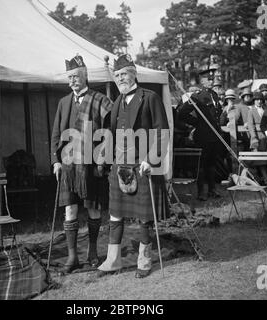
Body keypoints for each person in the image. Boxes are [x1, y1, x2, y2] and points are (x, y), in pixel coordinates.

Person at [97, 54, 169, 278]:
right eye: (117, 75)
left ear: (134, 73)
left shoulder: (150, 97)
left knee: (143, 216)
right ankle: (113, 259)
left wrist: (151, 159)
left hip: (142, 165)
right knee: (115, 214)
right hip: (120, 164)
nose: (120, 78)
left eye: (124, 74)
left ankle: (144, 260)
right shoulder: (117, 101)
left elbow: (162, 132)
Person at [50, 54, 113, 273]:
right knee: (70, 209)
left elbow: (110, 132)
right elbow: (56, 134)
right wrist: (55, 161)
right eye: (69, 78)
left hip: (92, 165)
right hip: (68, 165)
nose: (72, 81)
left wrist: (103, 160)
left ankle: (93, 252)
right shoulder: (64, 102)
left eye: (76, 76)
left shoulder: (100, 99)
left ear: (85, 76)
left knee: (93, 210)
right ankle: (72, 257)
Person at [177, 64, 222, 201]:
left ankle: (212, 190)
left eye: (212, 79)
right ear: (202, 81)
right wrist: (197, 123)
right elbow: (182, 113)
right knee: (202, 164)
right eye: (208, 79)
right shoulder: (197, 96)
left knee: (212, 164)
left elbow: (216, 115)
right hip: (203, 136)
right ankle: (201, 192)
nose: (211, 81)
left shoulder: (214, 95)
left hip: (215, 135)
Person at [247, 92, 267, 185]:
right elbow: (251, 126)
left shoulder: (266, 109)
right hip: (256, 137)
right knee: (257, 159)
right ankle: (261, 179)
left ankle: (266, 179)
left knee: (266, 158)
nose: (259, 101)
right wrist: (254, 137)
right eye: (257, 100)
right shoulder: (251, 110)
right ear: (254, 101)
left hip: (266, 137)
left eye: (260, 100)